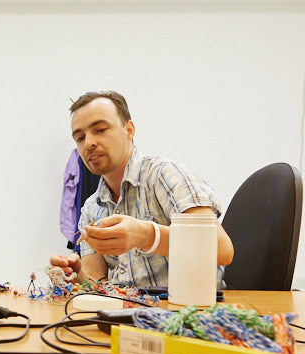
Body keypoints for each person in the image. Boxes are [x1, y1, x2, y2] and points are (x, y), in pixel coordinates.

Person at [48, 91, 233, 288]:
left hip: (185, 313)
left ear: (129, 130)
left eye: (100, 129)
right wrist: (77, 276)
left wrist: (147, 235)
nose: (89, 143)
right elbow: (96, 280)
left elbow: (222, 249)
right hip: (128, 315)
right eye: (79, 137)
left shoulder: (164, 175)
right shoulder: (91, 208)